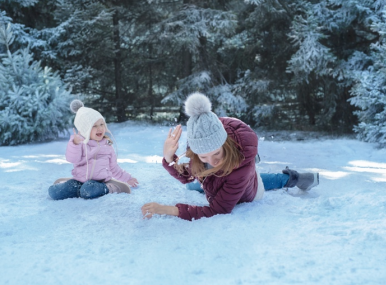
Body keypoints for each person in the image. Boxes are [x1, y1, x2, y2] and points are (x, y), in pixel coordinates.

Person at [141, 93, 318, 220]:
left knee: (258, 181)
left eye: (216, 153)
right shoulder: (201, 146)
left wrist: (169, 210)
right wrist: (169, 157)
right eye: (204, 157)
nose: (212, 161)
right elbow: (187, 175)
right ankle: (247, 165)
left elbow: (219, 209)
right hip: (216, 181)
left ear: (225, 144)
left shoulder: (237, 171)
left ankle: (295, 178)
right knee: (193, 187)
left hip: (248, 189)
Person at [48, 100, 138, 200]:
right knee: (54, 192)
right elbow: (72, 159)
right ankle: (78, 190)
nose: (100, 128)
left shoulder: (107, 146)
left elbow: (114, 168)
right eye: (94, 126)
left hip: (99, 183)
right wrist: (75, 143)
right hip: (79, 181)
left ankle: (108, 188)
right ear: (85, 130)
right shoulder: (80, 143)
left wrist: (128, 178)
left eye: (101, 124)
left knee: (89, 188)